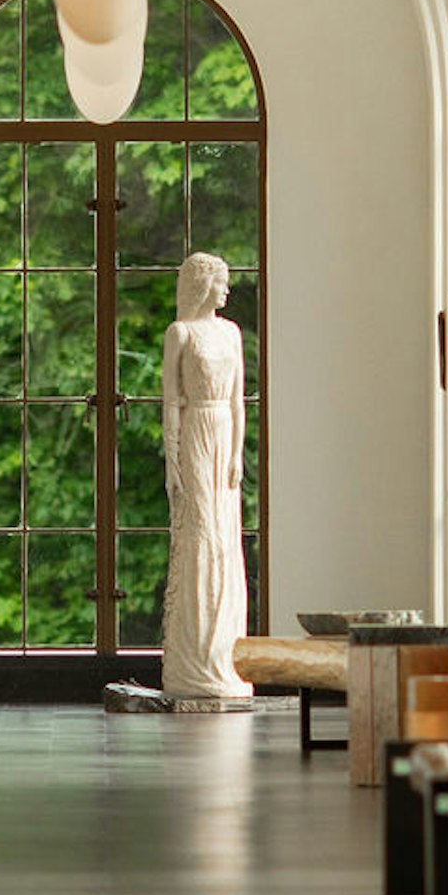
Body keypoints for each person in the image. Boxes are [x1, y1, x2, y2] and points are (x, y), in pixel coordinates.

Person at [161, 252, 251, 699]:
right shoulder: (180, 333)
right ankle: (192, 659)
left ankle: (222, 658)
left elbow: (238, 402)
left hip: (222, 436)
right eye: (222, 283)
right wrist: (172, 462)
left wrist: (237, 454)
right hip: (195, 432)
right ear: (203, 286)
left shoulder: (230, 333)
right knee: (201, 535)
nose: (228, 291)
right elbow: (171, 404)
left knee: (224, 538)